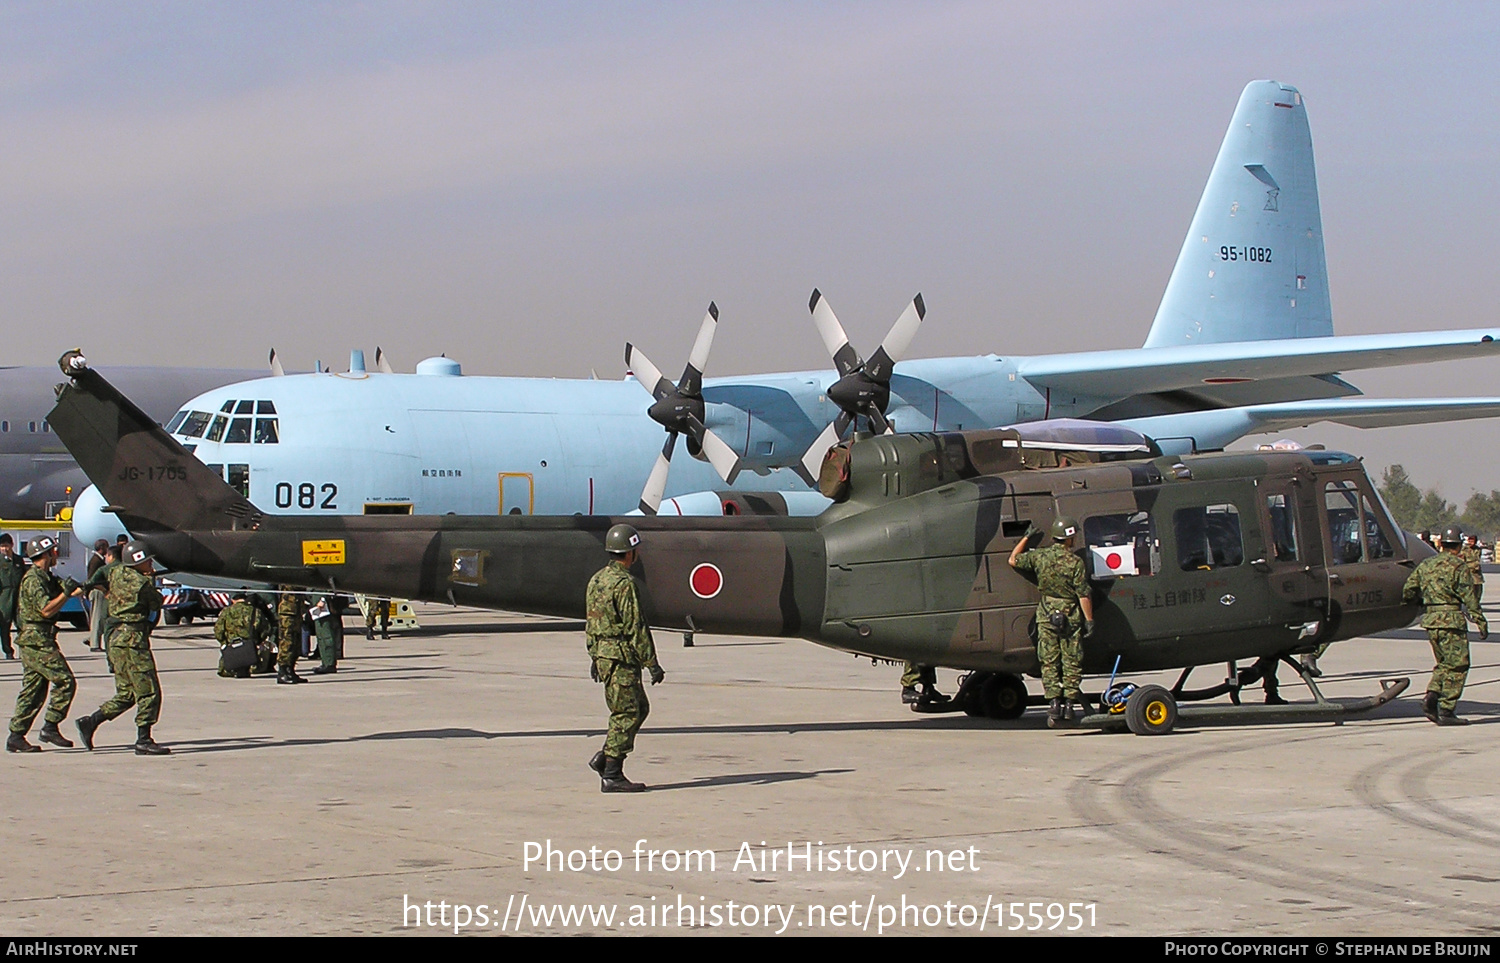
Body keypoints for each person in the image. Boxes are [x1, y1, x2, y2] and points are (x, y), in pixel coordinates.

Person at [584, 523, 664, 792]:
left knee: (639, 708)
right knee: (627, 713)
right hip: (620, 658)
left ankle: (605, 758)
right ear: (629, 553)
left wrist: (595, 656)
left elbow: (591, 622)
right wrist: (651, 663)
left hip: (606, 658)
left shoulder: (596, 580)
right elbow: (636, 626)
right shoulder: (625, 584)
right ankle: (612, 773)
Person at [74, 540, 170, 755]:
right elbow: (156, 602)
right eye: (148, 560)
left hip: (116, 638)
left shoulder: (115, 572)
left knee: (127, 693)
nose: (151, 563)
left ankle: (91, 721)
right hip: (133, 639)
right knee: (149, 691)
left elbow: (97, 577)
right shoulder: (142, 583)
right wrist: (150, 579)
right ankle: (144, 739)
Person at [1009, 516, 1094, 728]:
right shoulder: (1075, 563)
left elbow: (1013, 559)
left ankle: (1054, 703)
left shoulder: (1040, 557)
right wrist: (1089, 620)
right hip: (1070, 616)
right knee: (1071, 660)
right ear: (1070, 538)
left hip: (1047, 615)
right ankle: (1069, 704)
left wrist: (1026, 537)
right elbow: (1083, 594)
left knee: (1049, 661)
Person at [1402, 526, 1487, 726]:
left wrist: (1420, 603)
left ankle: (1433, 694)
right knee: (1458, 664)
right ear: (1458, 545)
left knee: (1444, 663)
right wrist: (1480, 621)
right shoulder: (1459, 566)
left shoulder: (1426, 565)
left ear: (1441, 544)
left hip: (1432, 620)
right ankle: (1447, 709)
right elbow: (1470, 597)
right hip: (1451, 620)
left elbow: (1408, 589)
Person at [6, 536, 83, 752]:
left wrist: (89, 585)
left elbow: (69, 591)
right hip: (36, 640)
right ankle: (50, 726)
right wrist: (66, 593)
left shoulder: (46, 576)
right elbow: (46, 609)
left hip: (39, 639)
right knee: (65, 681)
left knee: (34, 690)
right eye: (54, 551)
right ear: (46, 554)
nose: (56, 555)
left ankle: (16, 735)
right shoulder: (33, 580)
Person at [214, 590, 272, 679]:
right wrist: (257, 641)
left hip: (231, 645)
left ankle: (232, 669)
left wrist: (223, 642)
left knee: (226, 668)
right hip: (249, 646)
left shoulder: (226, 611)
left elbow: (218, 630)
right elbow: (266, 629)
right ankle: (249, 668)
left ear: (233, 600)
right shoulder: (255, 611)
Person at [0, 533, 26, 660]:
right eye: (2, 546)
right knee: (5, 626)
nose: (4, 549)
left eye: (6, 546)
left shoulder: (18, 560)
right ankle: (8, 650)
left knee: (22, 624)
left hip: (18, 596)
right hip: (4, 597)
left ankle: (24, 650)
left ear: (12, 545)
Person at [275, 586, 308, 684]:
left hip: (296, 611)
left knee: (296, 642)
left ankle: (290, 670)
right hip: (287, 612)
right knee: (287, 641)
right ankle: (282, 671)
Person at [85, 538, 110, 651]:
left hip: (99, 591)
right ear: (101, 548)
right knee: (97, 618)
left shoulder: (98, 560)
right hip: (97, 591)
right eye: (106, 547)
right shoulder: (96, 561)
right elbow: (92, 580)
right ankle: (94, 644)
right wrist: (104, 590)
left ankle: (92, 639)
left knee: (101, 618)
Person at [1461, 534, 1484, 605]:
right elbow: (1462, 562)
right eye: (1470, 540)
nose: (1471, 542)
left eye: (1473, 540)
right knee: (1469, 595)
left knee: (1478, 594)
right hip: (1469, 575)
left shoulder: (1478, 549)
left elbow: (1477, 560)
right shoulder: (1464, 550)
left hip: (1477, 576)